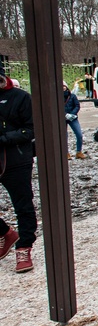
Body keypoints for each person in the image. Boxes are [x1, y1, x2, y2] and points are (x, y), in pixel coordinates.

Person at [0, 65, 37, 273]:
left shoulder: (20, 97)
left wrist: (5, 139)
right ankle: (5, 232)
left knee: (23, 204)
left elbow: (31, 129)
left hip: (16, 159)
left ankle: (24, 246)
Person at [63, 81, 86, 160]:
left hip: (73, 118)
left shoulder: (72, 96)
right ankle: (66, 153)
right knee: (64, 137)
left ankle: (79, 152)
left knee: (79, 134)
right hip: (63, 118)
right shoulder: (57, 97)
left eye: (64, 86)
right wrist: (65, 114)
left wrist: (72, 114)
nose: (63, 87)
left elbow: (77, 105)